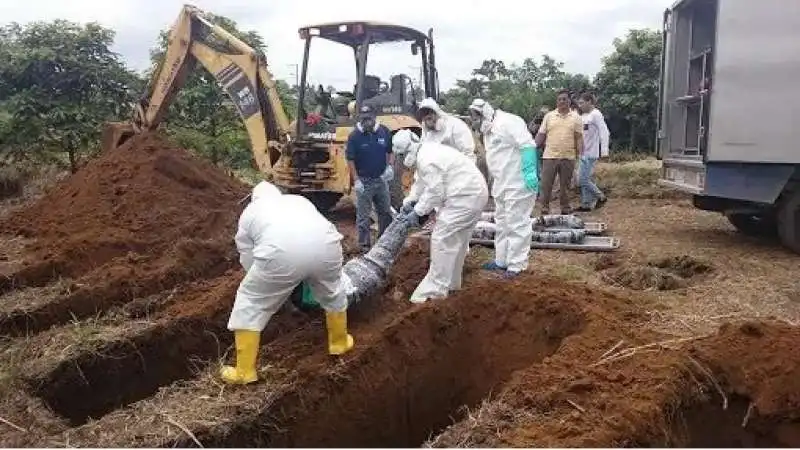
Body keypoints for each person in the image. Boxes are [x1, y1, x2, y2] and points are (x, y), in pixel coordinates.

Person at [221, 181, 354, 385]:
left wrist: (263, 283)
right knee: (332, 291)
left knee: (251, 302)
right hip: (328, 245)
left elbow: (247, 255)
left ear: (254, 198)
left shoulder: (250, 212)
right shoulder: (298, 200)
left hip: (281, 254)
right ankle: (339, 342)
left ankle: (244, 372)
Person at [393, 130, 489, 301]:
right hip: (472, 194)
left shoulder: (426, 159)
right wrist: (410, 201)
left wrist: (417, 212)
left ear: (406, 153)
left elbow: (435, 191)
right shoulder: (426, 152)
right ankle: (452, 284)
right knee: (457, 240)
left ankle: (433, 293)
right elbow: (422, 182)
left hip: (465, 197)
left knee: (442, 239)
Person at [468, 98, 539, 279]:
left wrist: (530, 171)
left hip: (518, 182)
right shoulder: (489, 131)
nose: (475, 122)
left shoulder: (509, 122)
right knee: (502, 222)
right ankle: (502, 260)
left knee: (517, 223)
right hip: (501, 183)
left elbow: (528, 145)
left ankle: (517, 265)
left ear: (486, 114)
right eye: (472, 118)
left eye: (477, 117)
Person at [346, 104, 394, 253]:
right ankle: (364, 246)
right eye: (364, 119)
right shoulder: (354, 136)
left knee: (385, 212)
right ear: (360, 119)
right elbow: (350, 159)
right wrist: (356, 180)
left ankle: (383, 242)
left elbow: (389, 151)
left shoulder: (384, 132)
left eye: (369, 119)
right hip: (364, 182)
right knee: (363, 217)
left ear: (374, 118)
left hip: (381, 180)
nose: (367, 122)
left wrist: (390, 166)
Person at [535, 90, 584, 215]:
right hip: (549, 156)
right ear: (556, 102)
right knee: (546, 184)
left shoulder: (576, 117)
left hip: (568, 156)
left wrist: (580, 156)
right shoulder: (549, 116)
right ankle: (544, 208)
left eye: (564, 99)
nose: (562, 101)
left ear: (569, 101)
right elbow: (541, 134)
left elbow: (579, 138)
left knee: (565, 186)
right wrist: (532, 147)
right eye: (559, 99)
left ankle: (565, 208)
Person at [576, 93, 610, 211]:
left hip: (591, 152)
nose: (580, 105)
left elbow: (604, 132)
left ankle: (600, 196)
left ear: (589, 101)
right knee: (585, 178)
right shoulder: (584, 116)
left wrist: (604, 151)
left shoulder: (596, 114)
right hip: (583, 152)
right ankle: (586, 204)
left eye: (582, 103)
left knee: (582, 179)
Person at [417, 97, 477, 163]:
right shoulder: (426, 132)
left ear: (437, 114)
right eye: (425, 119)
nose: (428, 122)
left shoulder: (455, 125)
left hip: (457, 168)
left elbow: (468, 154)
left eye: (429, 118)